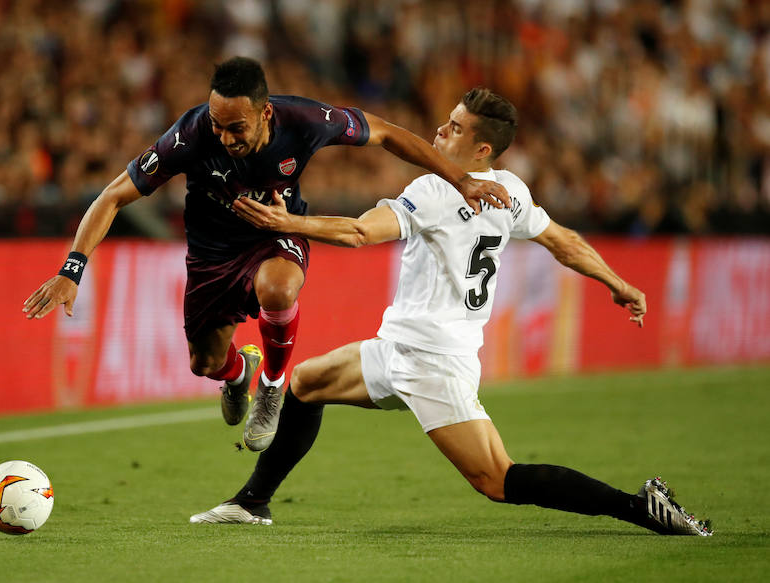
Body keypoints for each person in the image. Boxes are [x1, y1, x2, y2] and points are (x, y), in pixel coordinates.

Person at [189, 88, 713, 536]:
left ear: (480, 148)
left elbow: (358, 232)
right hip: (400, 347)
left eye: (455, 127)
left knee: (497, 480)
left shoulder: (435, 189)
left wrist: (285, 223)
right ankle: (250, 502)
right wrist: (617, 283)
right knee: (303, 383)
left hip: (432, 361)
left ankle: (640, 506)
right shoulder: (510, 190)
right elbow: (562, 241)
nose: (441, 130)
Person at [21, 57, 511, 451]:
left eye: (237, 127)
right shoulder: (190, 135)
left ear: (265, 113)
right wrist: (72, 269)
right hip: (212, 251)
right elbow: (112, 196)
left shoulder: (304, 120)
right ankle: (240, 374)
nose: (226, 138)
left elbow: (383, 132)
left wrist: (460, 179)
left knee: (279, 287)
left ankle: (272, 386)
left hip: (277, 230)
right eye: (218, 125)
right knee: (205, 362)